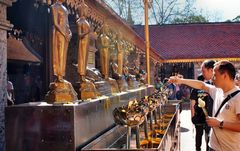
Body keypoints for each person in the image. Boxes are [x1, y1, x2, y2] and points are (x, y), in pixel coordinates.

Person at [169, 60, 240, 151]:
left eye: (215, 75)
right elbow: (202, 85)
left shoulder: (238, 97)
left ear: (225, 75)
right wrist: (180, 80)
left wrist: (220, 123)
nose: (212, 78)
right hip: (213, 146)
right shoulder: (217, 91)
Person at [51, 0, 72, 81]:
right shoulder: (54, 7)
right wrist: (64, 34)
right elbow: (56, 23)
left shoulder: (65, 9)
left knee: (63, 54)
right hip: (59, 33)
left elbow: (67, 24)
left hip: (65, 34)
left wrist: (70, 33)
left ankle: (62, 74)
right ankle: (59, 74)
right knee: (59, 54)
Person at [190, 74, 211, 151]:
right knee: (208, 135)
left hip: (198, 116)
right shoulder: (208, 88)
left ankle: (198, 149)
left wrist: (192, 116)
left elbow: (192, 104)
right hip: (207, 115)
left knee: (198, 134)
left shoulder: (194, 89)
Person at [76, 0, 90, 82]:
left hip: (86, 42)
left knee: (85, 58)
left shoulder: (86, 21)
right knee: (82, 57)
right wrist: (86, 32)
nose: (86, 12)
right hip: (83, 42)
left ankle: (84, 74)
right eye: (85, 10)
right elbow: (79, 34)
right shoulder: (79, 21)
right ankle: (81, 75)